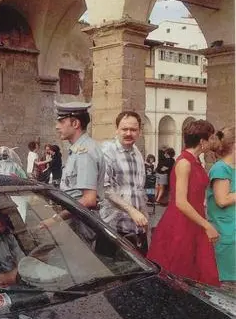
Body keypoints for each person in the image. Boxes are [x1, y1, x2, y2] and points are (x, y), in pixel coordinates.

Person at [147, 120, 220, 286]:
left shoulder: (193, 161)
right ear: (202, 141)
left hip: (192, 220)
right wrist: (207, 225)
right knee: (181, 269)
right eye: (210, 138)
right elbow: (181, 201)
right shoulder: (185, 163)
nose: (211, 142)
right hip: (182, 222)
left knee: (195, 269)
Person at [100, 111, 149, 254]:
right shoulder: (107, 151)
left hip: (136, 229)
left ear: (139, 131)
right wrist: (131, 210)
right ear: (117, 130)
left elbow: (139, 191)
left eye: (133, 130)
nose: (128, 133)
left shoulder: (137, 153)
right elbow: (105, 189)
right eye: (124, 129)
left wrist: (145, 222)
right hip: (113, 229)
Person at [54, 101, 105, 210]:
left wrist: (55, 219)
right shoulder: (79, 149)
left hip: (81, 221)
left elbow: (89, 199)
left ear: (75, 124)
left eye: (61, 122)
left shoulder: (84, 152)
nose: (57, 126)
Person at [206, 126, 236, 288]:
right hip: (226, 237)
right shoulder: (221, 168)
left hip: (232, 236)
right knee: (228, 289)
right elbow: (222, 199)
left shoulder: (232, 168)